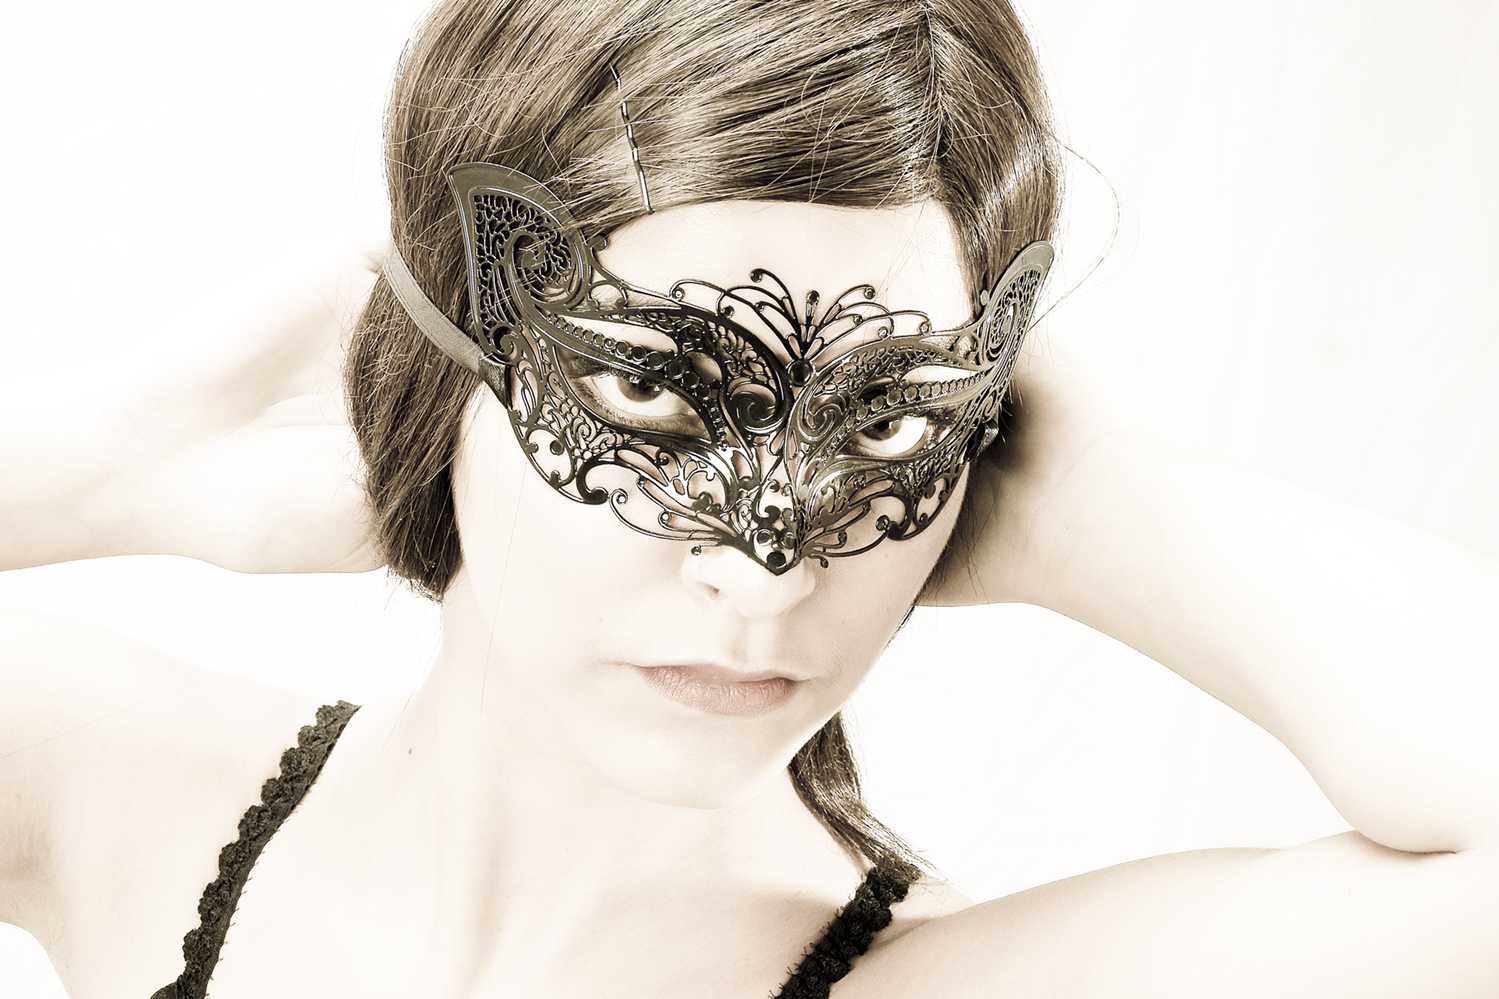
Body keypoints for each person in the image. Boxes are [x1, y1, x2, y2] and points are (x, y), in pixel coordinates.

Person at [2, 0, 1497, 997]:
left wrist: (1088, 502)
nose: (767, 568)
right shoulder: (106, 793)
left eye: (890, 424)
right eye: (652, 393)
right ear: (455, 350)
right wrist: (115, 464)